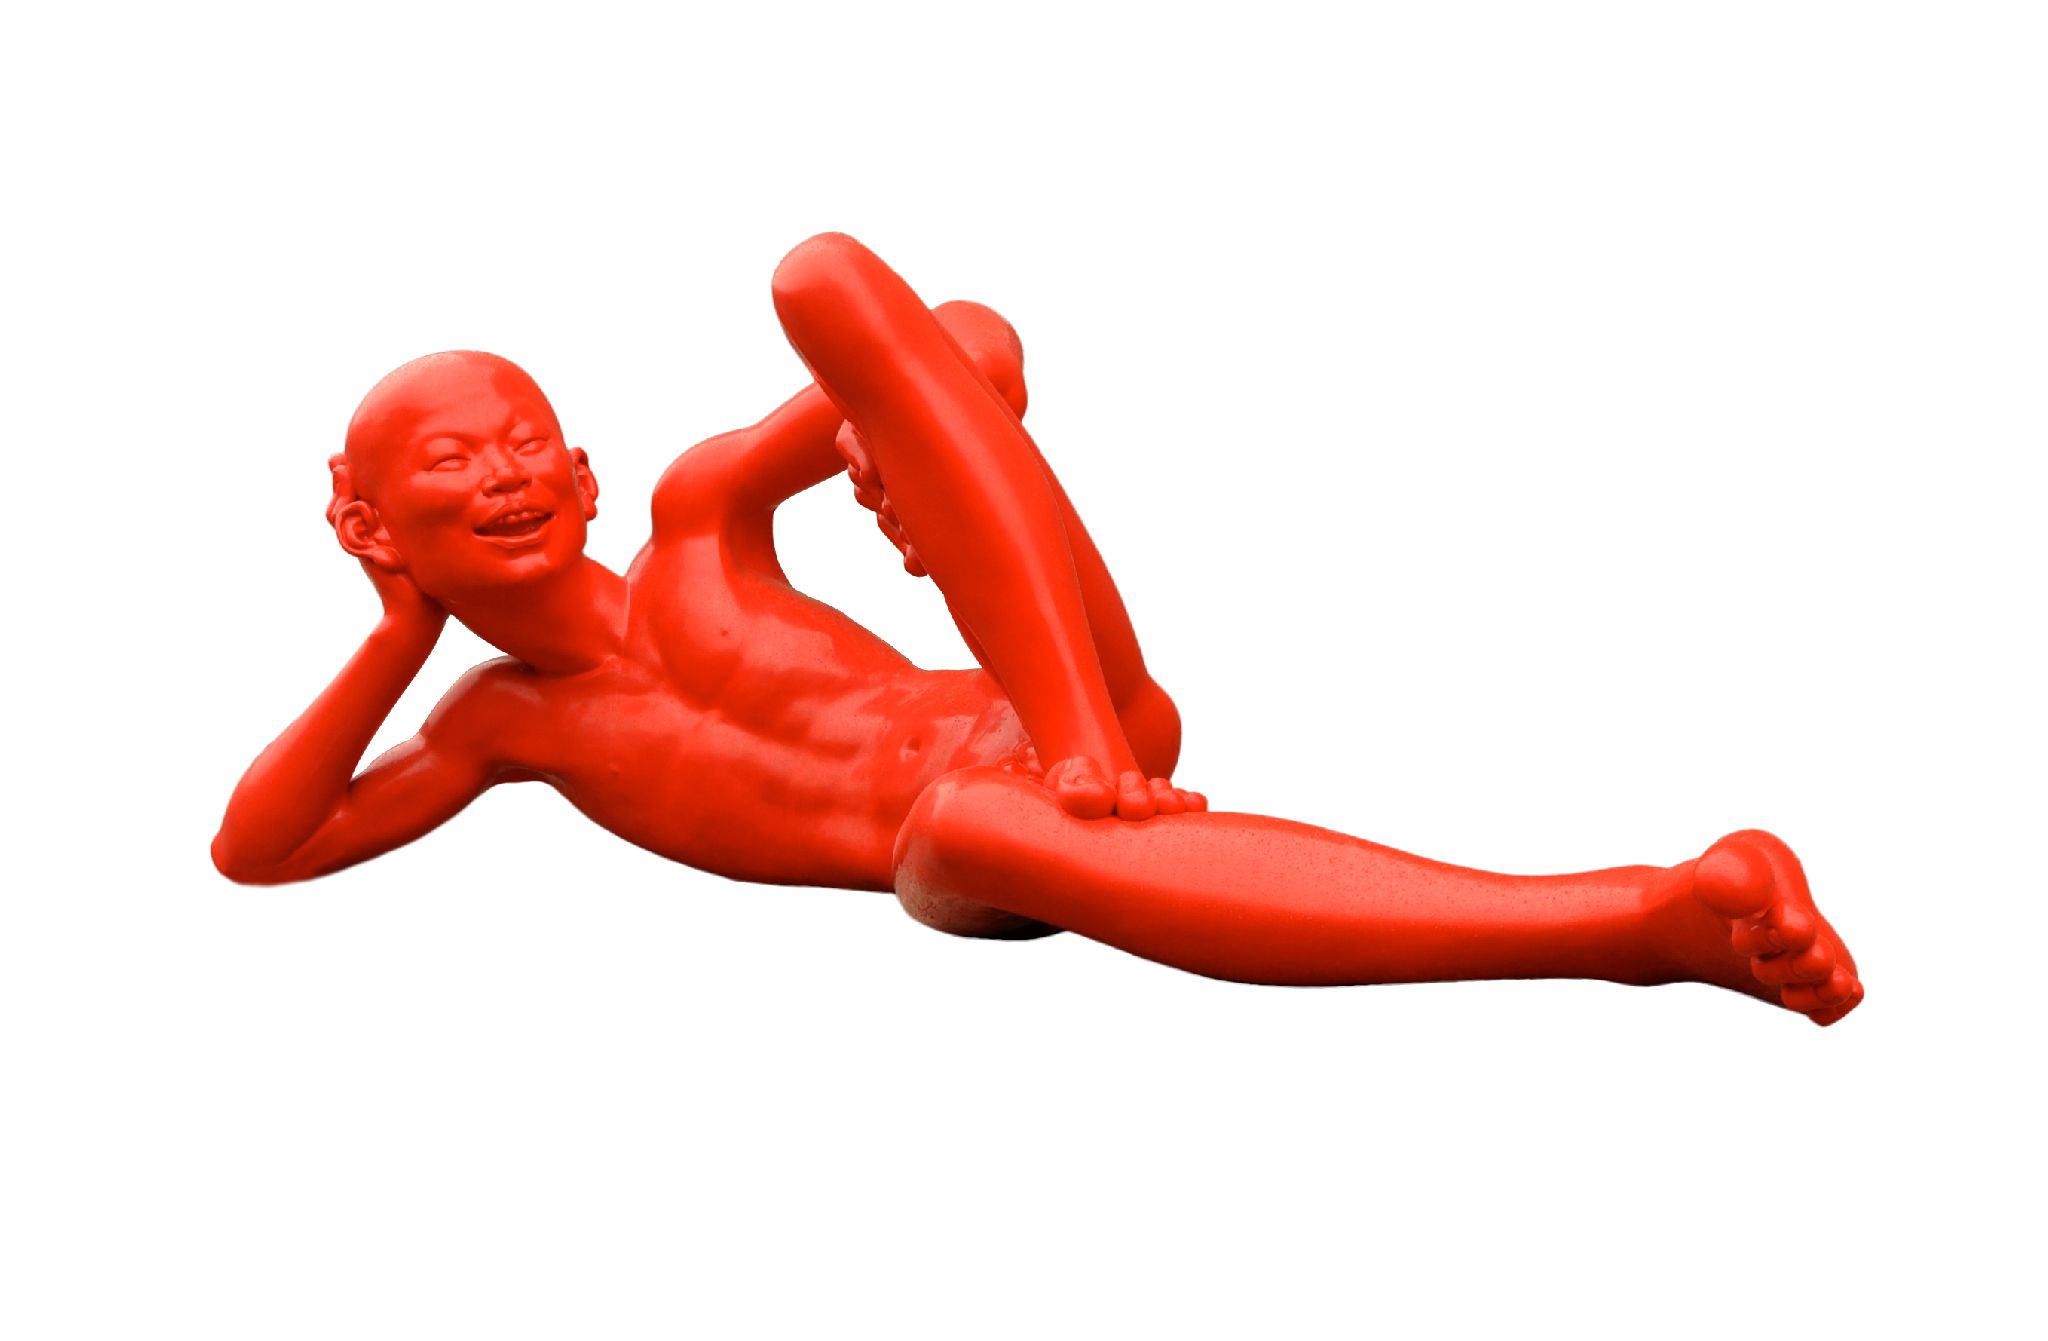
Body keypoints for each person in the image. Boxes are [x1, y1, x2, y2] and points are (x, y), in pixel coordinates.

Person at [213, 233, 1863, 1025]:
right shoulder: (503, 723)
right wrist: (394, 636)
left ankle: (1079, 747)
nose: (503, 473)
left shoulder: (702, 516)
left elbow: (957, 331)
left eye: (521, 441)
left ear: (580, 469)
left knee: (819, 279)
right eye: (451, 464)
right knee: (969, 823)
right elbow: (262, 849)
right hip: (957, 841)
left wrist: (933, 414)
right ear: (373, 520)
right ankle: (1642, 915)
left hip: (1051, 702)